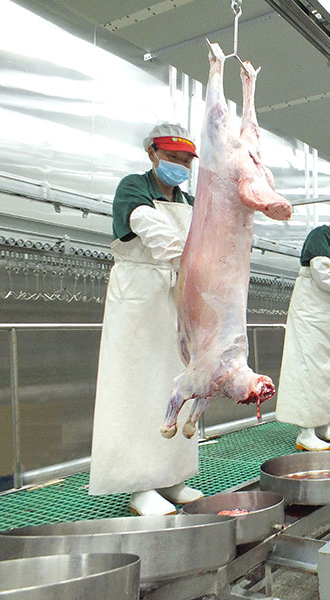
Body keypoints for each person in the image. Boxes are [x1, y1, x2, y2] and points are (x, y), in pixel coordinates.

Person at [89, 123, 204, 516]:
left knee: (176, 384)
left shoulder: (189, 201)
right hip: (139, 297)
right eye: (172, 157)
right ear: (152, 153)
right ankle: (139, 485)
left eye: (186, 160)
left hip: (177, 298)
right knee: (137, 386)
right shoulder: (134, 187)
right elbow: (150, 228)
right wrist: (192, 263)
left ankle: (173, 476)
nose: (180, 165)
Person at [275, 196, 330, 451]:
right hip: (312, 313)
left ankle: (323, 425)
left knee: (329, 372)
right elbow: (321, 273)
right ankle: (305, 431)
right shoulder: (320, 235)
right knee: (308, 369)